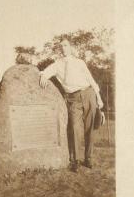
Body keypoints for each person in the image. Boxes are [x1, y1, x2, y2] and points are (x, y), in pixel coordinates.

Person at [39, 38, 103, 172]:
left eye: (66, 45)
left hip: (88, 94)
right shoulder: (57, 64)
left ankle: (88, 158)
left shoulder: (80, 62)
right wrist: (43, 76)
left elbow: (91, 80)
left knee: (89, 129)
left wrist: (99, 99)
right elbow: (45, 72)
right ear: (59, 50)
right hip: (73, 98)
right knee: (75, 128)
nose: (63, 48)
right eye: (61, 46)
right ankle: (76, 161)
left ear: (70, 47)